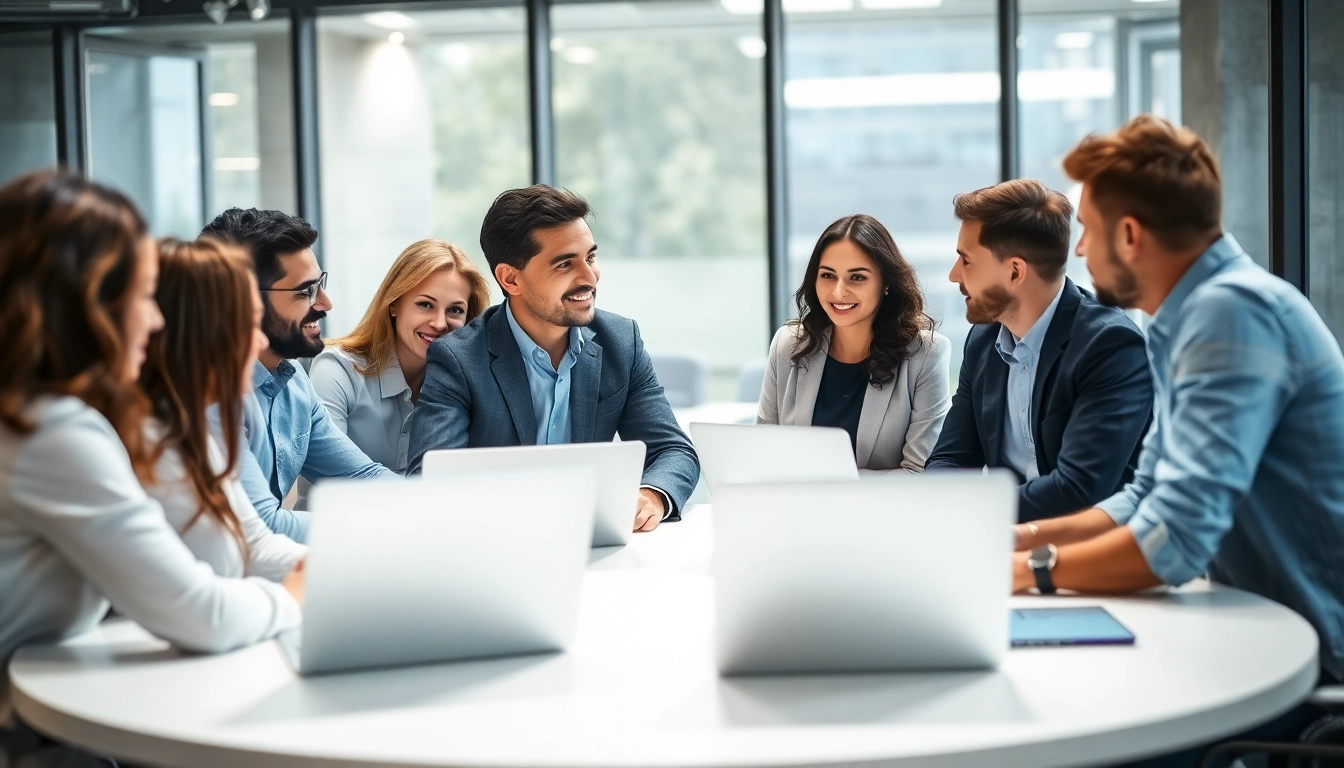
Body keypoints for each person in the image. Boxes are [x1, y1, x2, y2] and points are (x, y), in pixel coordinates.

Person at [1010, 115, 1344, 766]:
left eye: (1088, 230)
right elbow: (1148, 496)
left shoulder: (1232, 313)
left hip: (1312, 667)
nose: (1080, 251)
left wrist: (1027, 573)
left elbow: (1174, 539)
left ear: (1129, 235)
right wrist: (1020, 541)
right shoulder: (1189, 317)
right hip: (1253, 635)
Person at [0, 170, 301, 765]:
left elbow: (250, 547)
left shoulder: (62, 417)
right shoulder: (53, 431)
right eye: (141, 297)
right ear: (88, 302)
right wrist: (302, 594)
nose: (155, 320)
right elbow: (199, 614)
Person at [405, 185, 699, 530]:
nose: (590, 277)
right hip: (499, 545)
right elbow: (429, 474)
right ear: (511, 279)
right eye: (565, 264)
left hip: (596, 546)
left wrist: (652, 494)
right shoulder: (459, 358)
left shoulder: (621, 341)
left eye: (590, 257)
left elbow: (674, 451)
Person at [924, 178, 1152, 522]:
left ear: (1015, 271)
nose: (955, 276)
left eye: (966, 261)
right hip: (1006, 537)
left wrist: (973, 511)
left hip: (1091, 549)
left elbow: (1079, 489)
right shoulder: (983, 340)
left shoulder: (1111, 346)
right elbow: (951, 458)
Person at [201, 208, 395, 542]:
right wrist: (373, 527)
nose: (326, 303)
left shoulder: (294, 383)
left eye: (320, 284)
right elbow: (263, 525)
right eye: (305, 291)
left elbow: (362, 476)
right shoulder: (210, 392)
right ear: (242, 301)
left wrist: (440, 507)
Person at [139, 237, 306, 580]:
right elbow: (198, 604)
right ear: (201, 334)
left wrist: (347, 566)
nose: (260, 341)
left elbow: (257, 543)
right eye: (248, 324)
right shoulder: (144, 441)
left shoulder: (189, 433)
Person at [758, 214, 950, 471]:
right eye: (827, 276)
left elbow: (917, 472)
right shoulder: (787, 344)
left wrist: (829, 488)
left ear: (885, 284)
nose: (838, 292)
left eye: (857, 277)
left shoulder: (925, 354)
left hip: (882, 511)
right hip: (797, 509)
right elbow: (764, 453)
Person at [311, 239, 491, 473]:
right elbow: (330, 473)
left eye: (455, 310)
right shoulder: (335, 371)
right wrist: (419, 498)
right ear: (394, 304)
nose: (439, 323)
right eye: (425, 304)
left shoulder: (466, 385)